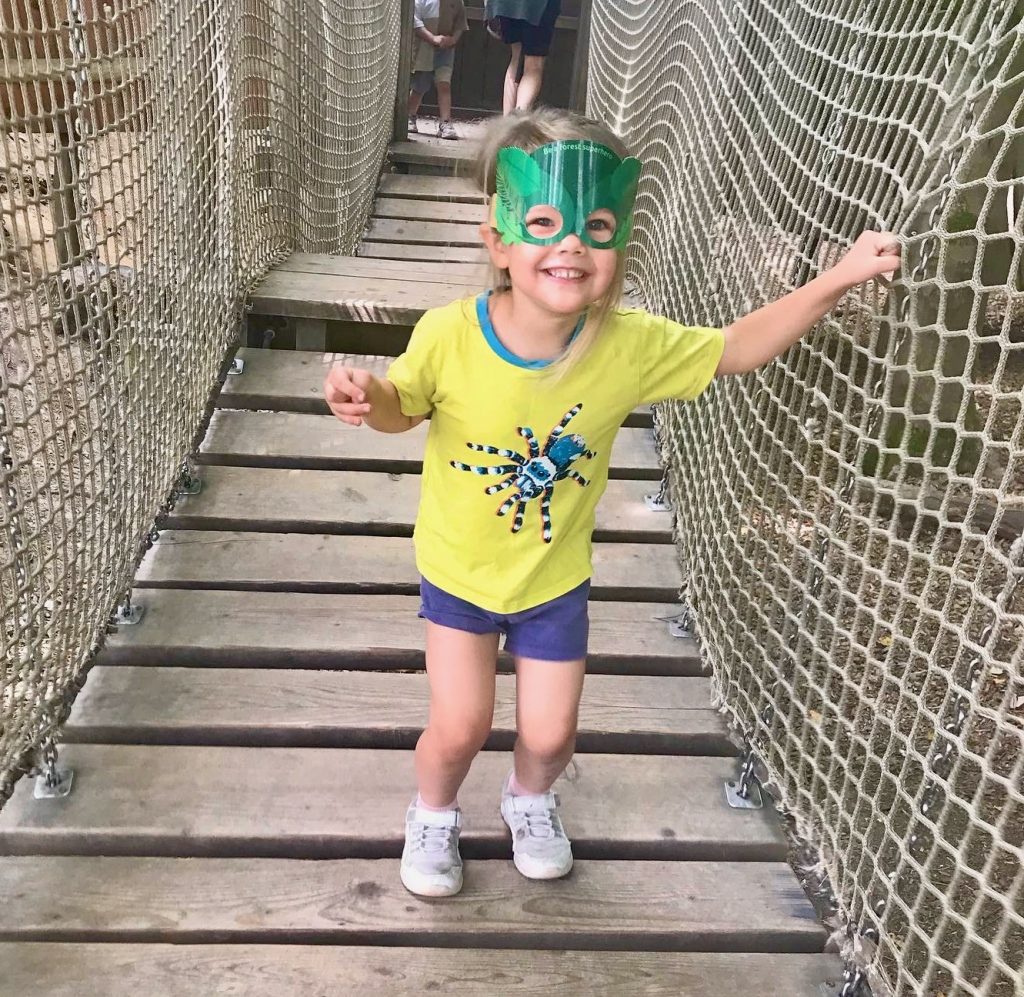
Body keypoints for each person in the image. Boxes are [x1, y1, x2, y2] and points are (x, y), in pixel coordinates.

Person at [323, 108, 900, 898]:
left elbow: (736, 347)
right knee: (459, 723)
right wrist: (369, 395)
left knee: (552, 729)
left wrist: (838, 275)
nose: (571, 244)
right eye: (542, 222)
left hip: (554, 579)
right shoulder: (449, 333)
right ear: (498, 241)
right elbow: (404, 404)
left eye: (596, 225)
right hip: (459, 573)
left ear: (621, 241)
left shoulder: (627, 344)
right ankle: (434, 812)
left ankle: (529, 799)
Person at [485, 0, 561, 113]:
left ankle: (507, 124)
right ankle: (518, 122)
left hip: (505, 5)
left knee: (516, 57)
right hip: (537, 6)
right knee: (533, 64)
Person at [409, 0, 468, 140]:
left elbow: (460, 22)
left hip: (446, 50)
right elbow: (415, 23)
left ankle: (445, 122)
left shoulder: (457, 2)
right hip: (424, 48)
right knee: (420, 86)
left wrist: (453, 39)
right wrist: (433, 38)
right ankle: (409, 115)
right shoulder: (420, 2)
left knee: (444, 84)